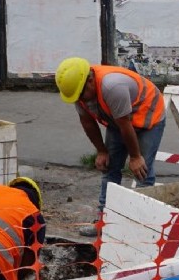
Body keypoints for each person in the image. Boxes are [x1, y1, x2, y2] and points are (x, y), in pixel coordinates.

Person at [55, 57, 165, 237]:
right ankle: (104, 222)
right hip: (118, 118)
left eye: (82, 94)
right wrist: (101, 151)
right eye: (77, 97)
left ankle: (143, 227)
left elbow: (126, 125)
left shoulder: (112, 87)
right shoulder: (78, 90)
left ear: (90, 80)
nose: (81, 100)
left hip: (147, 116)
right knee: (110, 168)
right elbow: (88, 122)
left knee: (142, 171)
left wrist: (135, 156)